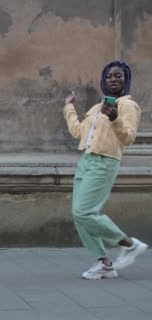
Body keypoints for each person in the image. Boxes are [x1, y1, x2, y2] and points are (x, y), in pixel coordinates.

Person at [63, 60, 148, 280]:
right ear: (104, 80)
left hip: (105, 161)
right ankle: (104, 264)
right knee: (79, 215)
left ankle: (128, 244)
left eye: (118, 76)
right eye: (109, 76)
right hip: (86, 161)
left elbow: (128, 137)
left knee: (84, 212)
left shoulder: (128, 106)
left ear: (125, 80)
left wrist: (115, 118)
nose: (113, 79)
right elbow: (78, 132)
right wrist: (69, 107)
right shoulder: (96, 107)